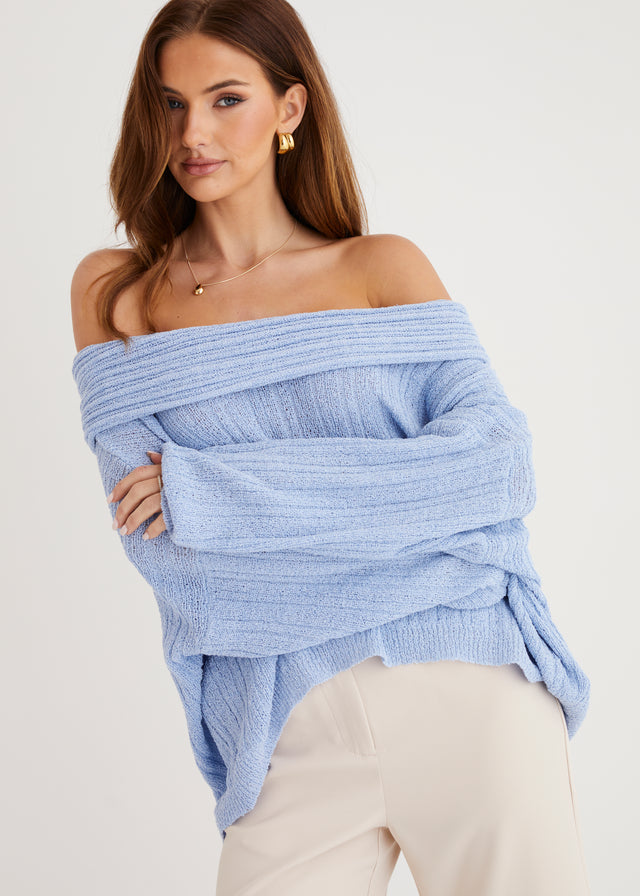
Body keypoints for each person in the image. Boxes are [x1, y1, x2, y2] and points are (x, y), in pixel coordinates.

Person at [70, 1, 592, 893]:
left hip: (469, 682)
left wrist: (213, 492)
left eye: (226, 99)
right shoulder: (116, 296)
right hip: (281, 724)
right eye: (170, 104)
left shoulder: (381, 269)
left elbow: (495, 469)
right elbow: (177, 558)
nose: (192, 134)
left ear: (290, 108)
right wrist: (405, 516)